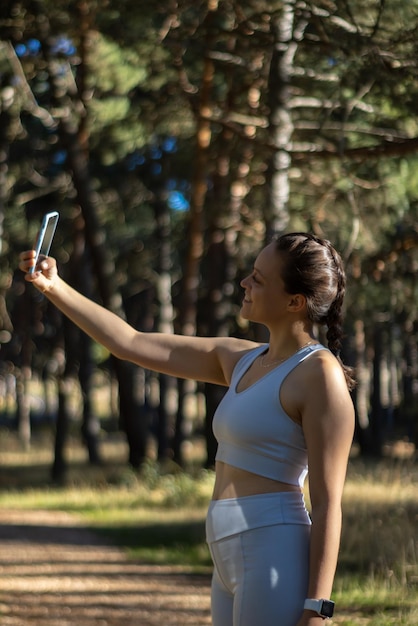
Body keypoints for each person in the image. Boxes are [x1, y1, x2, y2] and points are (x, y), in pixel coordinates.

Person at [19, 232, 355, 626]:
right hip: (226, 547)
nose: (245, 283)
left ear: (295, 302)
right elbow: (130, 342)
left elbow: (329, 502)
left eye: (259, 279)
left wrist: (319, 607)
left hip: (273, 546)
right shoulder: (242, 359)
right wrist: (54, 286)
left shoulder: (319, 375)